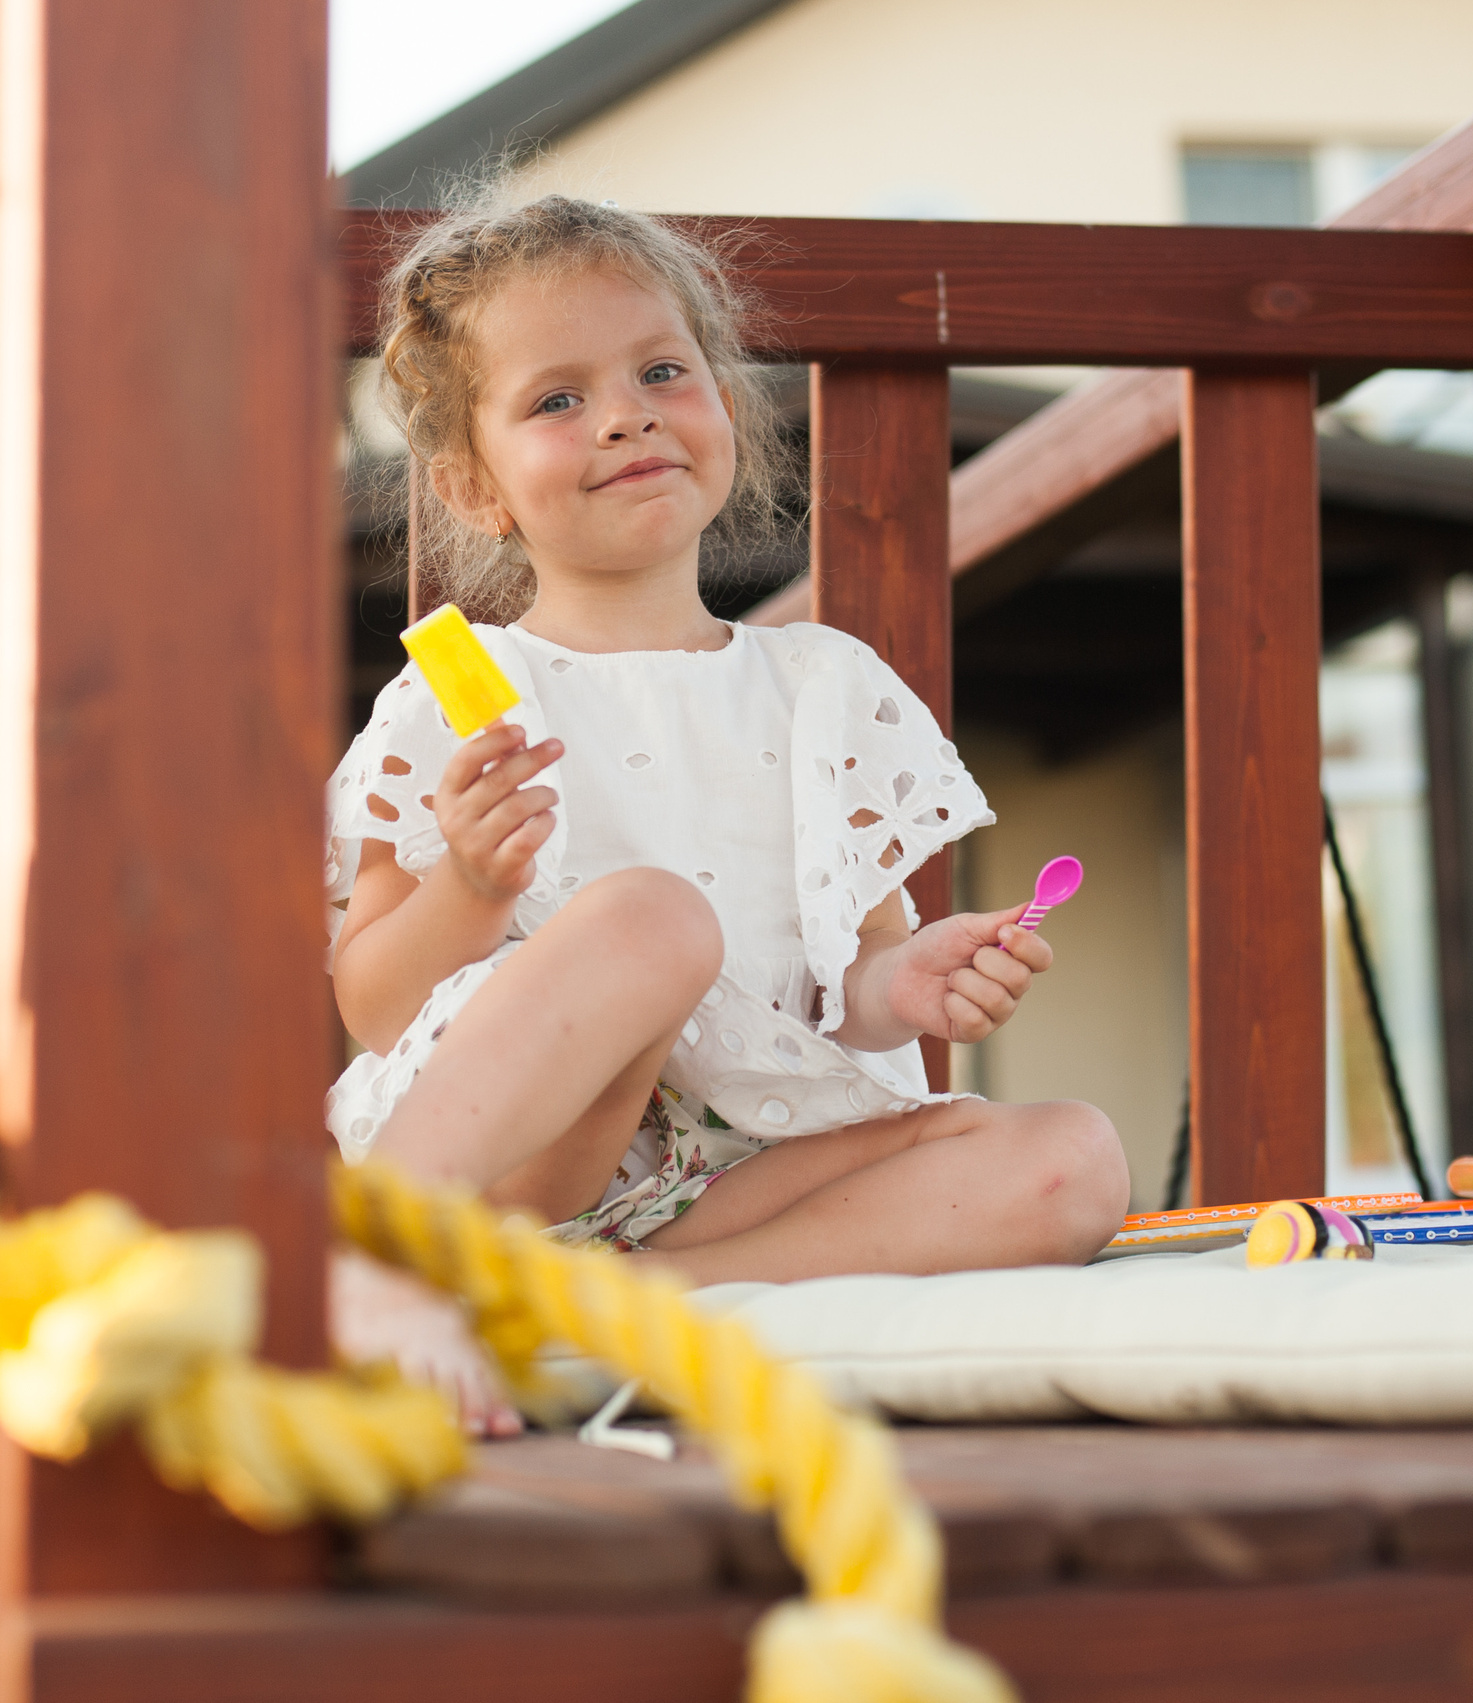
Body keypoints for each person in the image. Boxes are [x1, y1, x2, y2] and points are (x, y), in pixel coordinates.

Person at [327, 195, 1128, 1431]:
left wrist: (910, 982)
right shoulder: (461, 697)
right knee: (653, 920)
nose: (626, 414)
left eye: (661, 371)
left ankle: (602, 1309)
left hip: (727, 1184)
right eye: (557, 399)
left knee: (1072, 1158)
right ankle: (383, 1255)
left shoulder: (823, 689)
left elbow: (849, 986)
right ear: (474, 487)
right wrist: (470, 888)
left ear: (726, 411)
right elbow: (375, 1005)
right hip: (516, 1177)